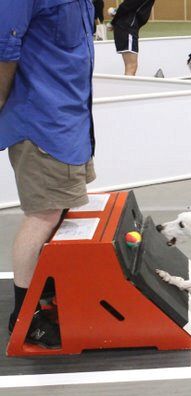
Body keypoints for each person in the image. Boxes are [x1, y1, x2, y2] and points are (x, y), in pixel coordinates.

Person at [0, 0, 96, 349]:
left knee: (60, 210)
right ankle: (26, 318)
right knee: (43, 214)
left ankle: (46, 294)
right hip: (41, 119)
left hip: (71, 116)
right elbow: (3, 49)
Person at [108, 0, 156, 76]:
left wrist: (115, 16)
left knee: (130, 66)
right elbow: (126, 6)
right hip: (127, 27)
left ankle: (128, 87)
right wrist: (113, 22)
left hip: (127, 27)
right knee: (131, 66)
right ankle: (128, 88)